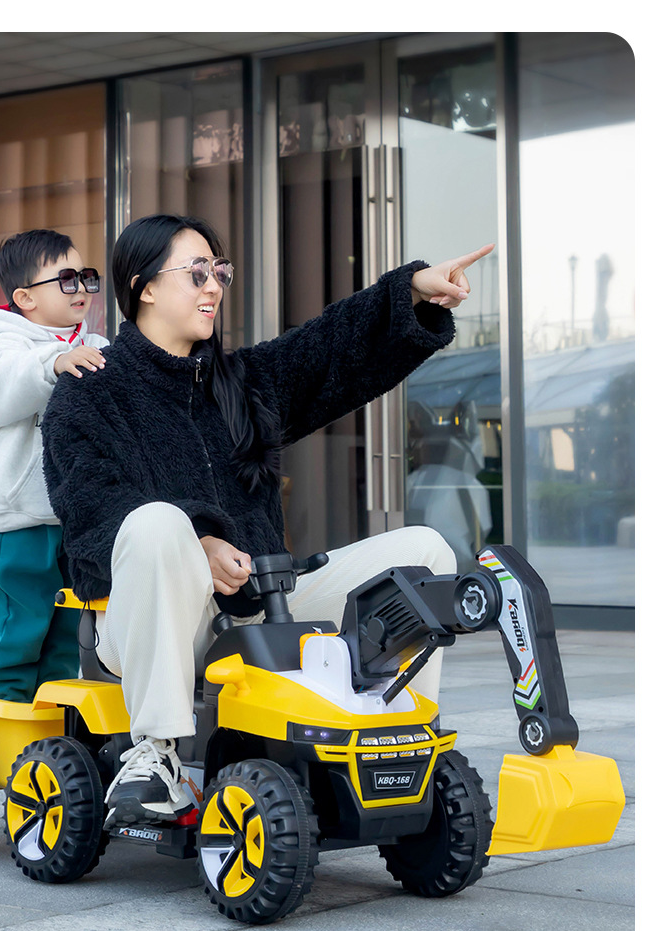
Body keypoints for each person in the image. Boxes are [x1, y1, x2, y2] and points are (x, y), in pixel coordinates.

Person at [42, 214, 495, 824]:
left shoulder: (243, 382)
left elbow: (327, 347)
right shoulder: (90, 391)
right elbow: (89, 509)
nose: (213, 286)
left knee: (426, 551)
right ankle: (156, 754)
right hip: (155, 622)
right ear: (143, 286)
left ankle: (404, 735)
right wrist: (199, 542)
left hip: (262, 608)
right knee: (155, 523)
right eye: (196, 273)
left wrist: (411, 291)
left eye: (219, 272)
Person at [0, 229, 109, 702]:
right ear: (25, 297)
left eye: (86, 278)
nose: (81, 289)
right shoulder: (3, 341)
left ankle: (52, 705)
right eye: (66, 280)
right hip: (17, 516)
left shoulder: (96, 343)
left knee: (68, 621)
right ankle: (5, 702)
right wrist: (54, 363)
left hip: (70, 513)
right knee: (18, 619)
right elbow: (1, 391)